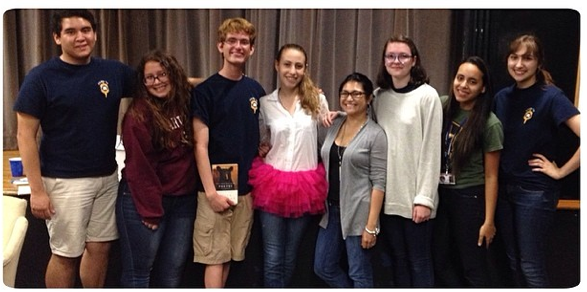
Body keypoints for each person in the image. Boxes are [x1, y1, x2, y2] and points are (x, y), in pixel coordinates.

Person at [12, 10, 136, 288]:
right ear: (57, 37)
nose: (80, 37)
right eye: (71, 31)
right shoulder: (41, 78)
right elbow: (25, 135)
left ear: (95, 33)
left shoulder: (113, 71)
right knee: (66, 255)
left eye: (86, 30)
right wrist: (37, 191)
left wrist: (208, 86)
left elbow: (160, 82)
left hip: (107, 179)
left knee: (100, 248)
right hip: (64, 182)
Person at [493, 34, 580, 288]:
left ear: (538, 62)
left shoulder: (551, 96)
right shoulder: (502, 98)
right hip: (504, 191)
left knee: (530, 265)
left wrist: (561, 171)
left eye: (527, 58)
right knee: (511, 261)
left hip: (535, 192)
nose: (519, 64)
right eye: (514, 57)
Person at [190, 17, 266, 288]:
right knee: (214, 256)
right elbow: (200, 145)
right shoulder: (206, 91)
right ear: (220, 46)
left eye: (244, 42)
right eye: (232, 41)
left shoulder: (256, 90)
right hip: (218, 182)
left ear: (252, 49)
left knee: (231, 254)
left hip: (246, 185)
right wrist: (211, 192)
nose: (238, 46)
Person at [247, 43, 330, 287]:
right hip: (272, 185)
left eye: (298, 66)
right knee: (272, 258)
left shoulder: (317, 100)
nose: (292, 71)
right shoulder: (265, 103)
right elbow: (262, 140)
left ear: (305, 69)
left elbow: (325, 142)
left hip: (305, 186)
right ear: (277, 65)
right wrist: (261, 147)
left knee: (291, 256)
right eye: (287, 64)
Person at [115, 49, 197, 287]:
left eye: (162, 74)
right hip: (145, 202)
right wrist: (150, 209)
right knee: (139, 273)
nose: (157, 82)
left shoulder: (184, 101)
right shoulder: (138, 115)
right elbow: (140, 169)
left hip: (182, 201)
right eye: (149, 78)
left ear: (173, 74)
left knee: (172, 272)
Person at [371, 34, 442, 287]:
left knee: (419, 262)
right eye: (391, 56)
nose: (396, 61)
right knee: (398, 261)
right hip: (388, 198)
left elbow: (432, 151)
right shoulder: (379, 97)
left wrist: (424, 199)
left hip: (415, 201)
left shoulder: (427, 96)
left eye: (402, 56)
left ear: (414, 61)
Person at [432, 56, 503, 287]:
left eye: (472, 82)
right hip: (440, 195)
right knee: (440, 260)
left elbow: (492, 175)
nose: (463, 85)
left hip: (470, 197)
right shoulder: (442, 106)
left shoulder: (489, 123)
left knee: (472, 265)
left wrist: (488, 221)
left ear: (482, 88)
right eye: (460, 78)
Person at [313, 72, 387, 288]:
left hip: (359, 214)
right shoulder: (335, 124)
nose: (349, 98)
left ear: (368, 99)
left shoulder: (376, 134)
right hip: (331, 212)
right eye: (345, 93)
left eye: (356, 93)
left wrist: (371, 226)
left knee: (359, 273)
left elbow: (379, 182)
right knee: (323, 266)